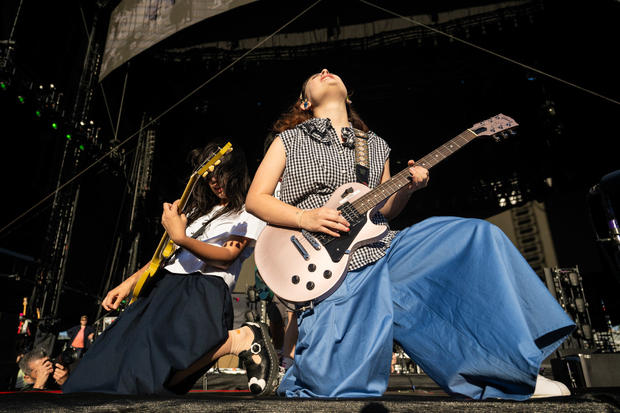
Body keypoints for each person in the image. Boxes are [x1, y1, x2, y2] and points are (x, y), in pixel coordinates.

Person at [245, 68, 575, 400]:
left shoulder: (374, 145)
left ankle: (512, 373)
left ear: (349, 95)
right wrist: (307, 217)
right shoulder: (289, 140)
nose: (326, 71)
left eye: (333, 72)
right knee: (333, 390)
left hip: (384, 248)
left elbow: (383, 211)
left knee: (476, 237)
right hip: (325, 265)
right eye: (315, 75)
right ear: (304, 101)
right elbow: (256, 199)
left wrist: (408, 188)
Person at [63, 141, 277, 395]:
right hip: (165, 284)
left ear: (237, 173)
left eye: (222, 175)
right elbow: (166, 256)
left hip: (204, 287)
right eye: (209, 177)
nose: (215, 183)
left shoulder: (247, 212)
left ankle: (238, 340)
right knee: (118, 370)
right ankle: (238, 340)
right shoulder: (197, 210)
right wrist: (128, 283)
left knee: (156, 374)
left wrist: (182, 237)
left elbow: (227, 257)